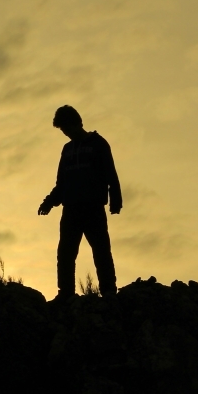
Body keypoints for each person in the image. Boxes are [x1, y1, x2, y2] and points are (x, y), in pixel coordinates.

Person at [38, 105, 123, 299]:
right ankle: (66, 293)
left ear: (77, 123)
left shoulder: (99, 144)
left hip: (93, 207)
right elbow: (61, 182)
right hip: (71, 209)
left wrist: (115, 200)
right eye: (62, 130)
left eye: (66, 128)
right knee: (65, 253)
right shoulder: (67, 150)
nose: (65, 133)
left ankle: (109, 291)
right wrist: (49, 202)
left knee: (101, 250)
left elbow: (111, 174)